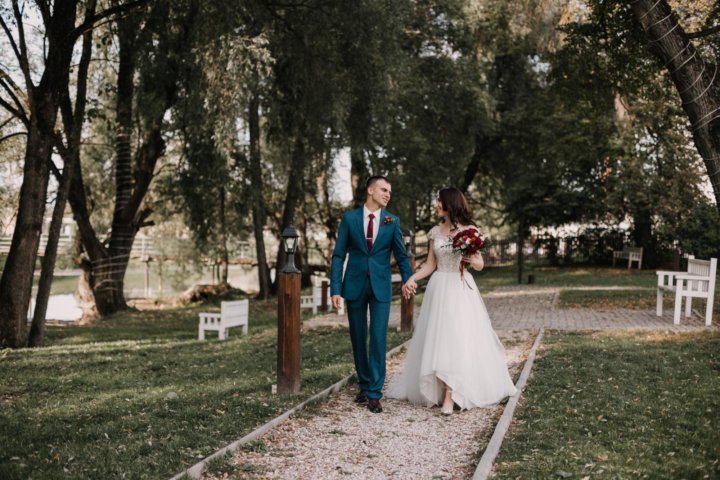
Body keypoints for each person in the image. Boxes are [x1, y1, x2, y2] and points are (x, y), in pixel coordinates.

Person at [389, 187, 517, 415]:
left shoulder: (470, 231)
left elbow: (480, 265)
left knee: (457, 338)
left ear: (450, 203)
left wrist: (470, 258)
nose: (436, 205)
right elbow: (430, 265)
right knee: (439, 339)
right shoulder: (434, 232)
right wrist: (411, 279)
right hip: (439, 287)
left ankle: (451, 394)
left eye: (439, 201)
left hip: (460, 288)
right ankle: (440, 389)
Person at [330, 176, 413, 413]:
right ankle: (365, 384)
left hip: (380, 287)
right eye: (384, 190)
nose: (388, 194)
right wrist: (335, 289)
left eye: (390, 192)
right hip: (354, 286)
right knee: (358, 338)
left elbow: (401, 255)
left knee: (378, 338)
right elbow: (338, 256)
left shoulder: (392, 221)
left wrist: (408, 279)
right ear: (370, 190)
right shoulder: (350, 219)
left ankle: (375, 393)